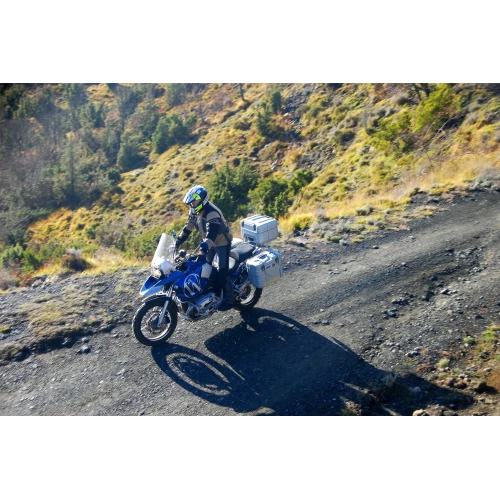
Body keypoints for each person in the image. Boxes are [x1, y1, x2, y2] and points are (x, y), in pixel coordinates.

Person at [174, 185, 234, 311]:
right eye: (191, 203)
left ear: (202, 200)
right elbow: (188, 227)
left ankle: (229, 299)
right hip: (208, 242)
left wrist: (206, 245)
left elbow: (212, 232)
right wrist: (178, 241)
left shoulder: (211, 212)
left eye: (194, 202)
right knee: (204, 266)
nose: (192, 205)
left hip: (221, 242)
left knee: (222, 270)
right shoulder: (194, 210)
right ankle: (209, 291)